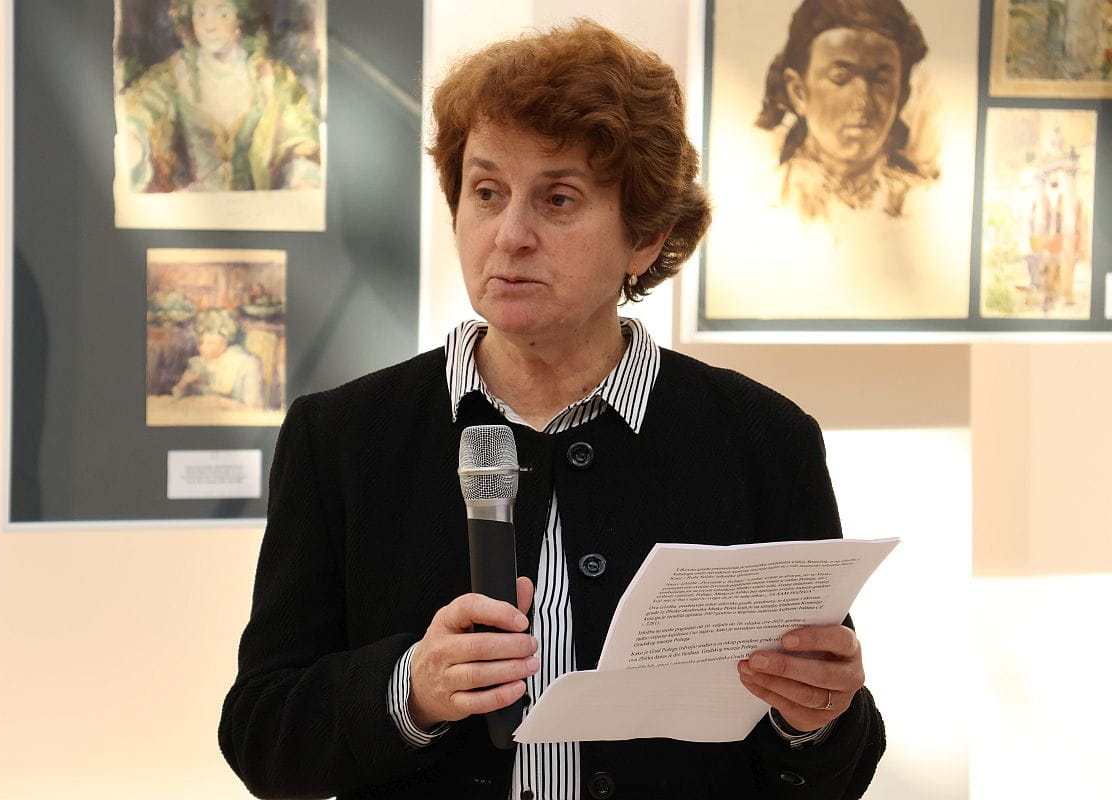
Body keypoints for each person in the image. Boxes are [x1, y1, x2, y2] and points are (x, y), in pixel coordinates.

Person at [219, 19, 884, 799]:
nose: (510, 235)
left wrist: (816, 719)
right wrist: (410, 690)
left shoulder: (763, 441)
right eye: (486, 193)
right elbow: (262, 737)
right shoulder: (343, 438)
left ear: (644, 238)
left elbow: (835, 764)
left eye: (558, 199)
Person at [755, 0, 933, 220]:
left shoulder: (922, 205)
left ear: (901, 95)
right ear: (799, 92)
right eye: (840, 77)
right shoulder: (761, 202)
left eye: (881, 80)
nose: (863, 101)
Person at [119, 0, 321, 193]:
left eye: (222, 13)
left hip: (261, 210)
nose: (209, 26)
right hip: (196, 210)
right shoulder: (172, 76)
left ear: (240, 18)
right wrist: (135, 136)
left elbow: (298, 133)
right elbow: (143, 110)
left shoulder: (272, 78)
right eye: (200, 13)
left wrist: (303, 174)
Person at [171, 308, 263, 406]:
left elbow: (253, 407)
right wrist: (182, 384)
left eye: (210, 343)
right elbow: (178, 401)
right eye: (200, 343)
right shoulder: (197, 364)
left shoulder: (245, 365)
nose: (202, 348)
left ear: (225, 341)